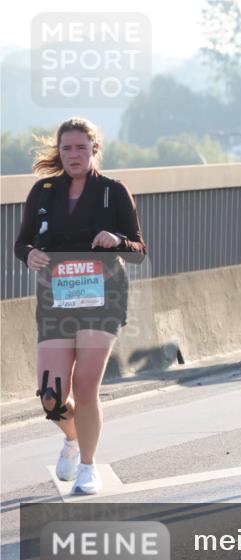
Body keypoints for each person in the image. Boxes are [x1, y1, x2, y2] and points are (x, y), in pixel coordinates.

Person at [14, 117, 147, 495]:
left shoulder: (112, 191)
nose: (73, 155)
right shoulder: (43, 191)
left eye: (80, 148)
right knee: (51, 397)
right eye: (66, 148)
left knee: (85, 387)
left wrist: (117, 239)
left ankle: (89, 466)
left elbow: (138, 249)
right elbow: (21, 243)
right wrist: (31, 255)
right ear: (59, 151)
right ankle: (72, 438)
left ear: (94, 150)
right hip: (56, 296)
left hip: (102, 295)